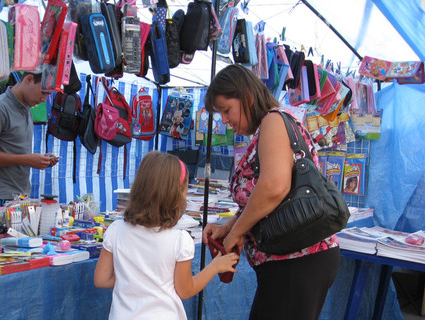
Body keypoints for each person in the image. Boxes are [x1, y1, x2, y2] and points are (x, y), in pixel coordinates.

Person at [201, 64, 341, 320]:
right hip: (293, 260)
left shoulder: (273, 121)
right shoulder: (270, 126)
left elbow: (274, 187)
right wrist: (230, 225)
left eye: (226, 110)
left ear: (246, 96)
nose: (224, 120)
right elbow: (271, 199)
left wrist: (237, 231)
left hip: (297, 261)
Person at [94, 151, 240, 319]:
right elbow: (185, 290)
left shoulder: (115, 230)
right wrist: (214, 267)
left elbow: (101, 279)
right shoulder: (179, 240)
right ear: (177, 195)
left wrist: (134, 281)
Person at [0, 72, 59, 207]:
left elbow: (15, 150)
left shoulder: (26, 108)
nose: (44, 99)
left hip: (20, 195)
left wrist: (42, 160)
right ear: (29, 79)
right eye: (43, 92)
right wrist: (28, 160)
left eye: (48, 95)